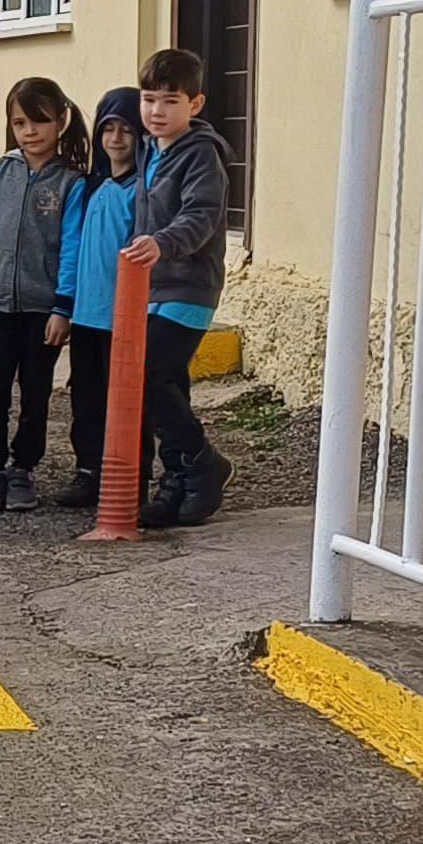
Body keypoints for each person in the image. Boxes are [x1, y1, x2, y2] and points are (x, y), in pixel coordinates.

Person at [0, 78, 90, 513]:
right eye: (20, 122)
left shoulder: (72, 184)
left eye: (40, 121)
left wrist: (63, 307)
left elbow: (72, 247)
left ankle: (23, 470)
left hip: (42, 310)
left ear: (60, 122)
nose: (30, 131)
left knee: (35, 392)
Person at [127, 48, 237, 528]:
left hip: (189, 287)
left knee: (150, 374)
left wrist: (162, 244)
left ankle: (202, 463)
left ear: (195, 104)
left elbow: (201, 216)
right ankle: (177, 482)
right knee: (167, 383)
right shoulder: (151, 149)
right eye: (149, 100)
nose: (156, 111)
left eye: (170, 101)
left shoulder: (202, 154)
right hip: (152, 286)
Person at [53, 89, 147, 510]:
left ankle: (132, 479)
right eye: (108, 128)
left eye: (126, 129)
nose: (116, 138)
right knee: (86, 398)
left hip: (125, 317)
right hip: (87, 316)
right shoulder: (90, 186)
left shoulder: (143, 191)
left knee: (128, 403)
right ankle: (88, 470)